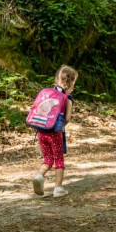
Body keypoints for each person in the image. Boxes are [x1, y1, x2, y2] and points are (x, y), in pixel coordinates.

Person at [32, 65, 78, 199]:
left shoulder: (47, 93)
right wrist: (61, 125)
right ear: (71, 83)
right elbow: (67, 118)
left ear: (57, 79)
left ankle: (39, 176)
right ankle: (58, 188)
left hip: (41, 131)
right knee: (58, 160)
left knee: (47, 159)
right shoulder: (67, 97)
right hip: (55, 133)